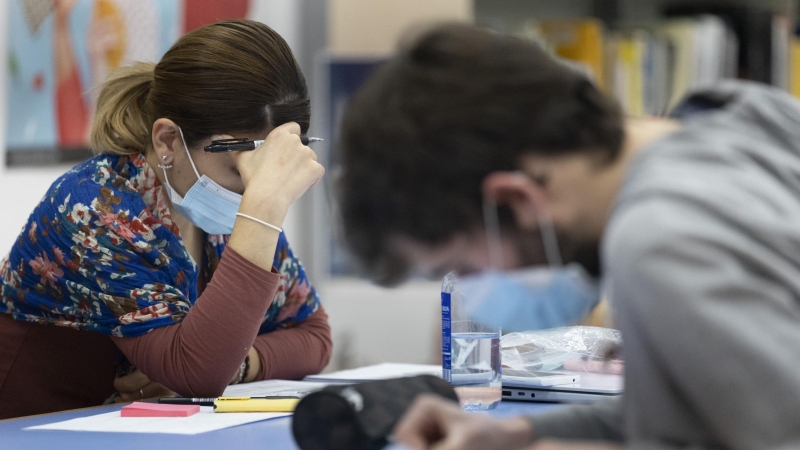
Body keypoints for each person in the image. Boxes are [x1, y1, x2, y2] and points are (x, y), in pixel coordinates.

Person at [336, 23, 800, 449]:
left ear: (515, 199)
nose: (474, 292)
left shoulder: (661, 240)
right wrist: (520, 434)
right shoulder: (733, 116)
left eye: (469, 267)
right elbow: (698, 411)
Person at [0, 19, 330, 419]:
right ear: (168, 141)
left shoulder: (236, 212)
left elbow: (314, 336)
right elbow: (198, 370)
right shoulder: (95, 206)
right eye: (239, 168)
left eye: (267, 172)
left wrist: (241, 363)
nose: (253, 188)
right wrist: (263, 208)